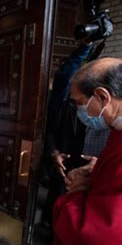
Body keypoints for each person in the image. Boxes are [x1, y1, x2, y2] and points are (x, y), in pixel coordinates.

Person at [40, 57, 122, 245]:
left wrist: (74, 195)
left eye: (79, 103)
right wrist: (94, 173)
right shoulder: (117, 129)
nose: (78, 110)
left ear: (103, 97)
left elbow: (103, 237)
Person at [42, 41, 110, 227]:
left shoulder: (113, 126)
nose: (78, 105)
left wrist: (99, 168)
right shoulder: (71, 107)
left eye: (79, 100)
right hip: (65, 168)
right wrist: (54, 152)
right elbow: (50, 130)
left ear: (102, 96)